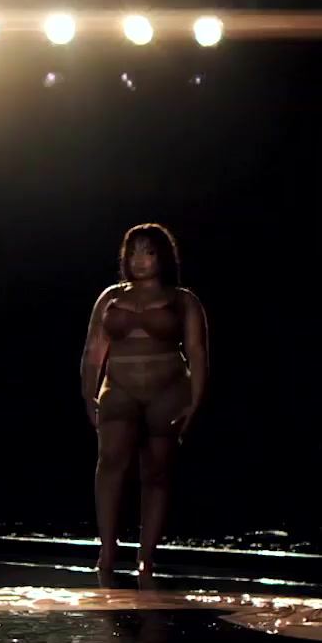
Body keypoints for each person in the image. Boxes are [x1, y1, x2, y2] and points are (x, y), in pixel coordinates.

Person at [78, 224, 208, 586]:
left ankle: (146, 556)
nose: (140, 259)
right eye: (133, 252)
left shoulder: (183, 300)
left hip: (167, 389)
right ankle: (107, 548)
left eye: (148, 252)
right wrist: (88, 393)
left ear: (162, 257)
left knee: (157, 473)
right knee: (110, 464)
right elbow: (93, 351)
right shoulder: (111, 297)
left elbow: (198, 353)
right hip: (119, 387)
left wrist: (195, 402)